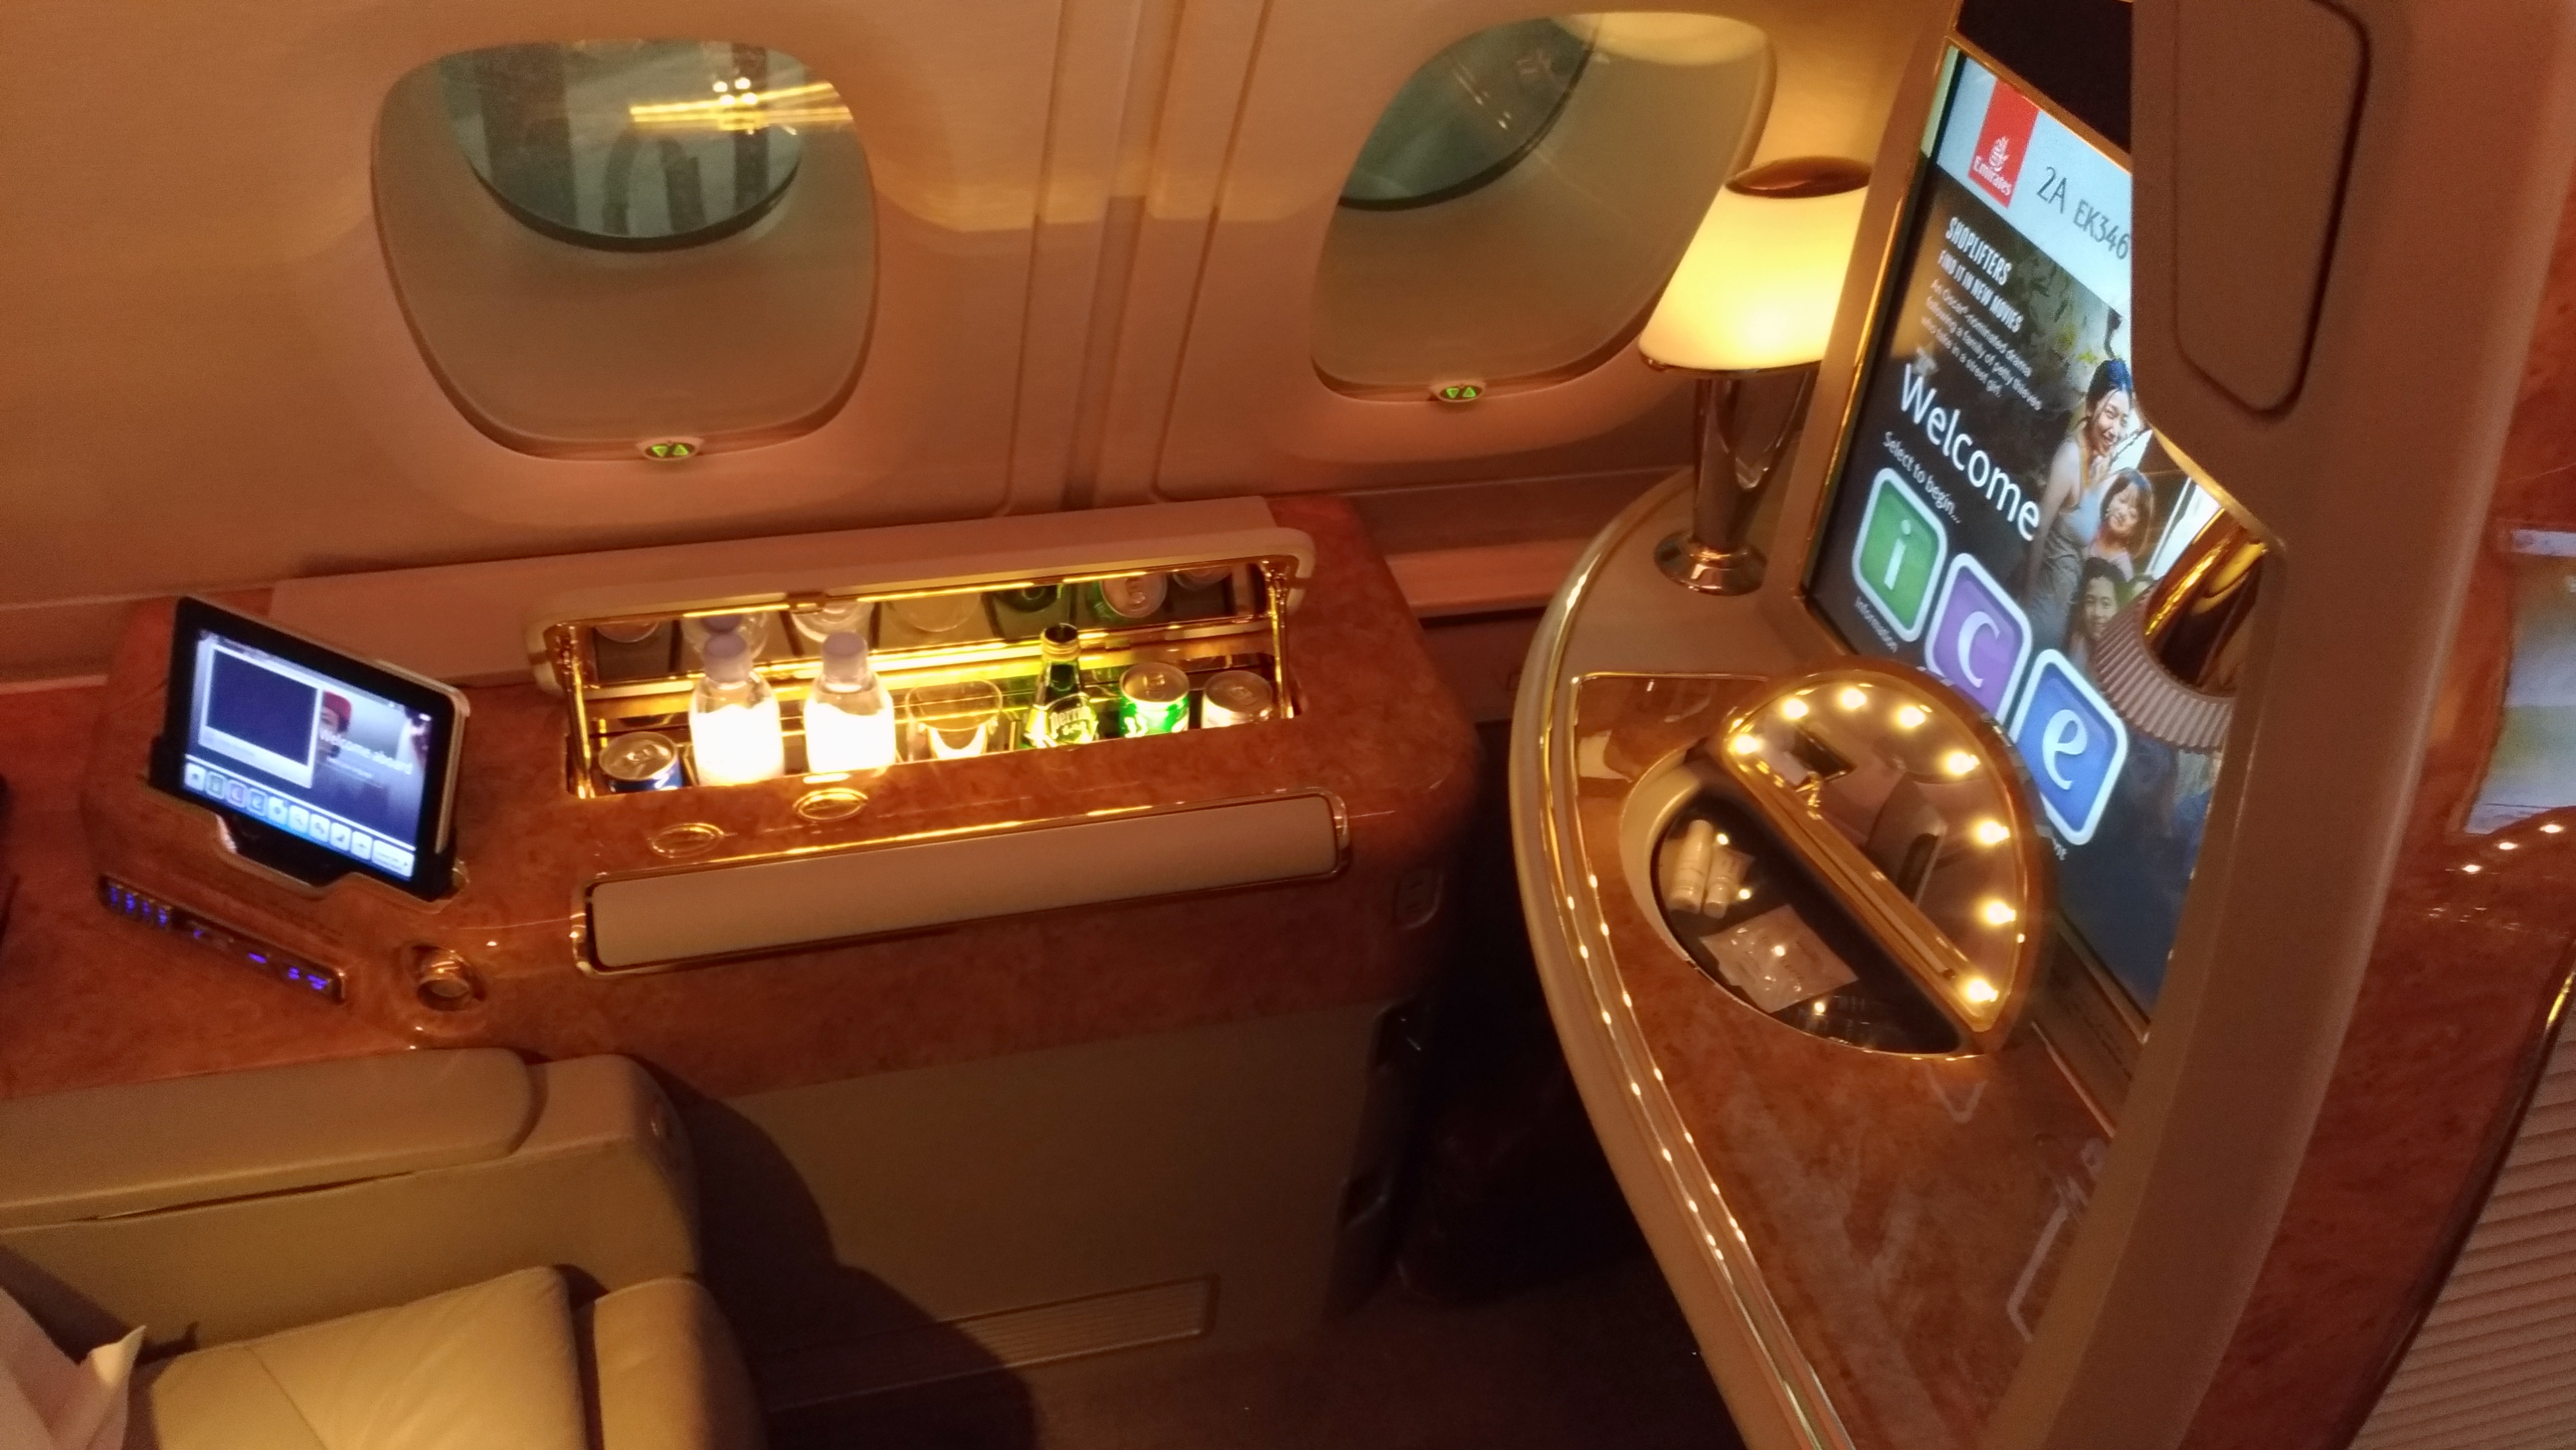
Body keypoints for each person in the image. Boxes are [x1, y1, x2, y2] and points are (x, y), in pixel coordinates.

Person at [2023, 358, 2137, 650]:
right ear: (2090, 407)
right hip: (2039, 614)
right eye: (2111, 414)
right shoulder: (2070, 458)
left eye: (2124, 421)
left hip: (2060, 618)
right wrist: (2024, 606)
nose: (2116, 429)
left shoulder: (2100, 460)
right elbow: (2039, 531)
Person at [2088, 469, 2157, 581]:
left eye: (2132, 514)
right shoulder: (2088, 526)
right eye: (2122, 500)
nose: (2123, 513)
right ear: (2111, 498)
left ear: (2136, 528)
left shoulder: (2123, 570)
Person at [2066, 559, 2126, 677]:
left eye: (2106, 604)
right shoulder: (2073, 643)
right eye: (2090, 602)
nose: (2097, 613)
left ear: (2119, 608)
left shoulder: (2122, 662)